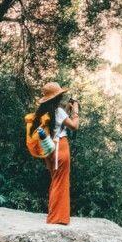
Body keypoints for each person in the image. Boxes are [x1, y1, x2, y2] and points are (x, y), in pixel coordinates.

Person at [30, 82, 79, 225]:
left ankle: (56, 215)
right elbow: (74, 126)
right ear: (57, 97)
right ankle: (57, 218)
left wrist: (66, 110)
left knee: (55, 180)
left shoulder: (43, 112)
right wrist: (75, 111)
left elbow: (57, 125)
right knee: (61, 181)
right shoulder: (58, 112)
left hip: (49, 149)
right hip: (60, 147)